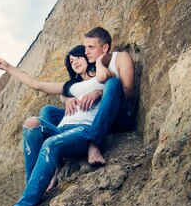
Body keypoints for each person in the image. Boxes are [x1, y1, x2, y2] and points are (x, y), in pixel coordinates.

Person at [0, 46, 112, 206]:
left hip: (83, 131)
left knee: (50, 144)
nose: (75, 62)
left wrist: (98, 92)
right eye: (71, 61)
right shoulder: (71, 87)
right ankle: (33, 190)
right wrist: (8, 67)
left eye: (78, 57)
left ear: (88, 57)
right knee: (31, 123)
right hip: (62, 129)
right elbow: (36, 84)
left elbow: (114, 90)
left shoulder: (102, 79)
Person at [40, 27, 135, 165]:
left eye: (90, 47)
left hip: (118, 117)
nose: (86, 52)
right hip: (94, 117)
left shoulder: (120, 58)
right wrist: (67, 99)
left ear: (105, 47)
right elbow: (71, 89)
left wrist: (99, 93)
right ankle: (56, 159)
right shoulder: (91, 68)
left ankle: (94, 145)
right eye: (85, 48)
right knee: (48, 110)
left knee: (113, 83)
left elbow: (129, 93)